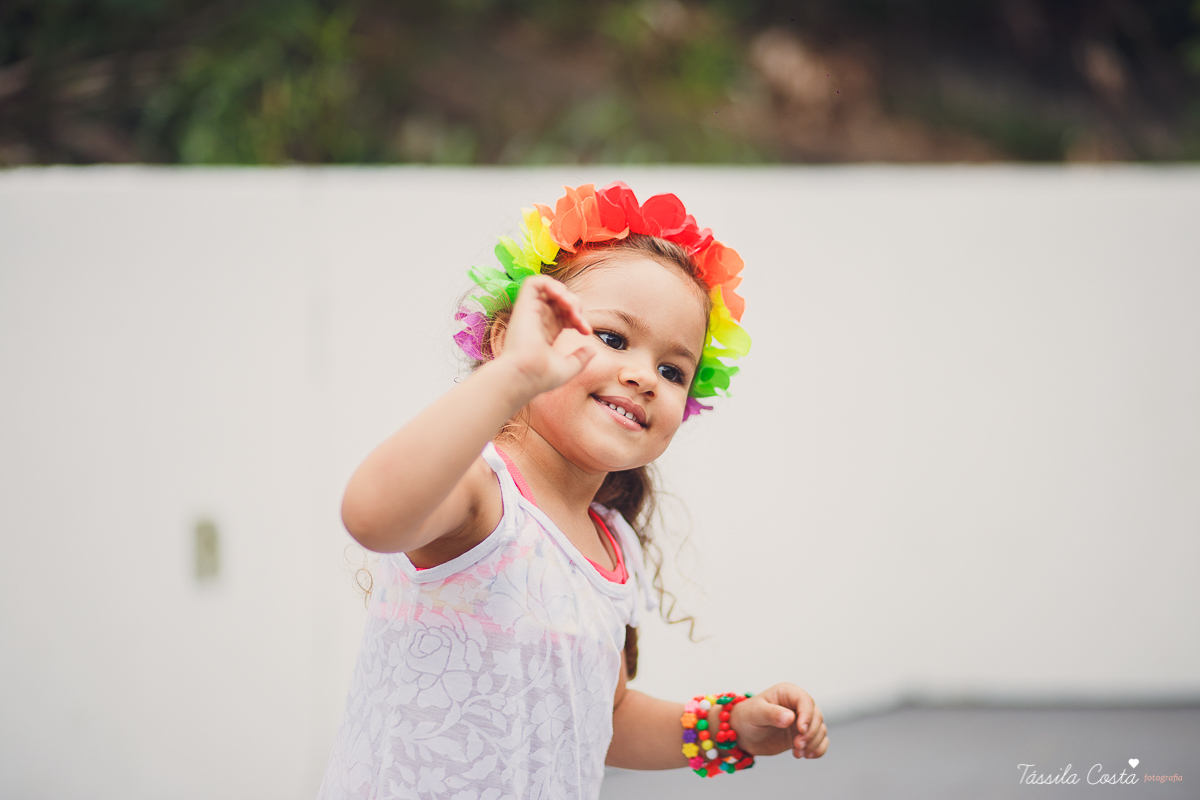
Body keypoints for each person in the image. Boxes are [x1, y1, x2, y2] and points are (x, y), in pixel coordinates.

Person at [318, 182, 828, 799]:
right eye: (611, 339)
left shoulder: (613, 548)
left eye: (673, 370)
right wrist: (510, 381)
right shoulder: (484, 497)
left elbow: (604, 720)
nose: (642, 376)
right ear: (508, 338)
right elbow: (372, 514)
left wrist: (732, 729)